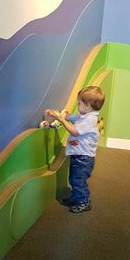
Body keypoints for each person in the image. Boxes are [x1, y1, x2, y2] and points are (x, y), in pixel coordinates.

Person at [45, 85, 105, 214]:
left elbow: (75, 131)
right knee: (73, 178)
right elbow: (74, 118)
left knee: (77, 180)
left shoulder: (90, 119)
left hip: (84, 158)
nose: (77, 106)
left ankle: (84, 202)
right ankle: (76, 197)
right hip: (79, 155)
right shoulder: (85, 115)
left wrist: (61, 120)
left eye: (79, 104)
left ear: (88, 106)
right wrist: (58, 115)